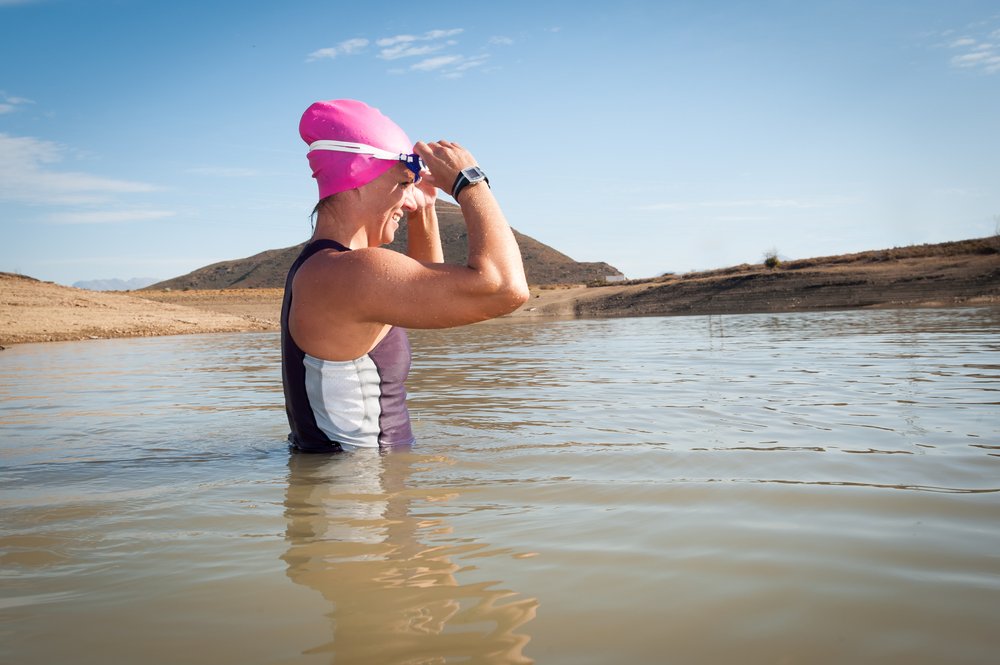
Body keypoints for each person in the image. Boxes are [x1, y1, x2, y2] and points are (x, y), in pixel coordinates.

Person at [281, 99, 529, 453]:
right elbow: (505, 290)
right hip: (358, 494)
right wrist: (469, 181)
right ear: (357, 177)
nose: (409, 201)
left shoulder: (323, 268)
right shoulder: (352, 272)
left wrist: (424, 209)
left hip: (350, 487)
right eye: (402, 183)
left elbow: (428, 294)